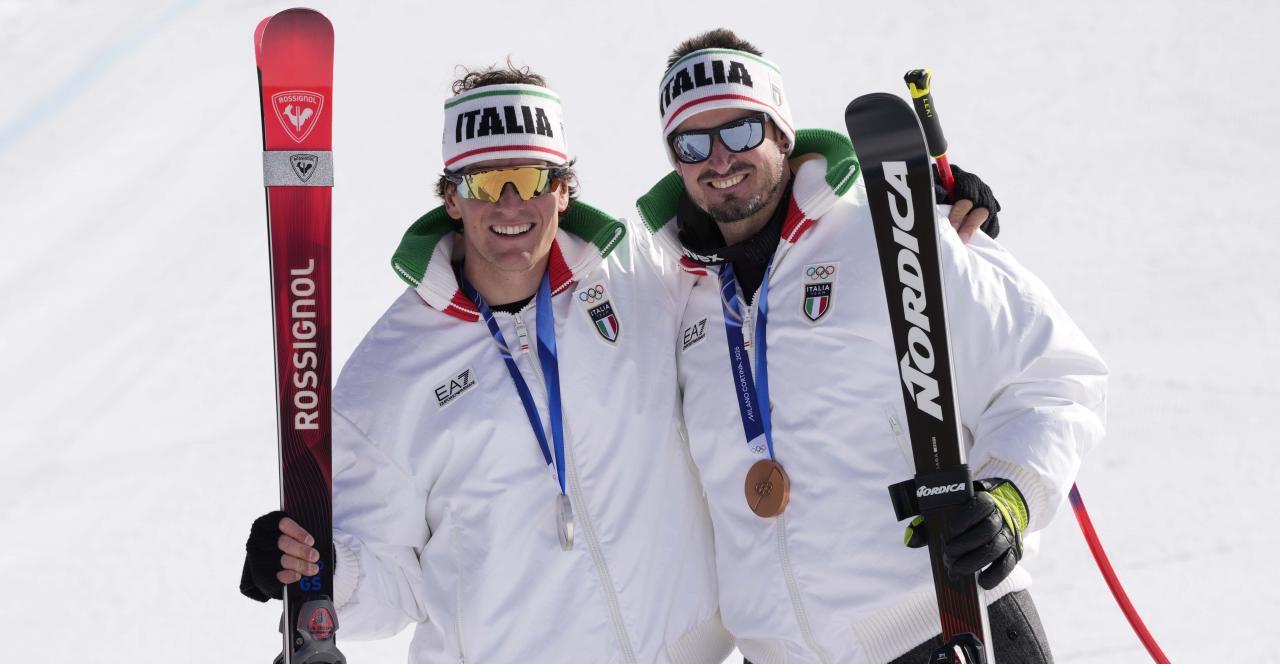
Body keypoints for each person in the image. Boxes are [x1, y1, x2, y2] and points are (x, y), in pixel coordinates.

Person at [636, 30, 1108, 663]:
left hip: (945, 627)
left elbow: (1052, 376)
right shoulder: (676, 297)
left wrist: (1011, 499)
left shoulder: (894, 235)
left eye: (742, 131)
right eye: (693, 142)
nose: (720, 158)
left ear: (782, 131)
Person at [241, 63, 734, 664]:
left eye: (529, 177)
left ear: (563, 188)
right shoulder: (391, 372)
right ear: (450, 196)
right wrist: (320, 570)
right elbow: (392, 587)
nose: (509, 203)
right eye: (483, 181)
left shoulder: (644, 280)